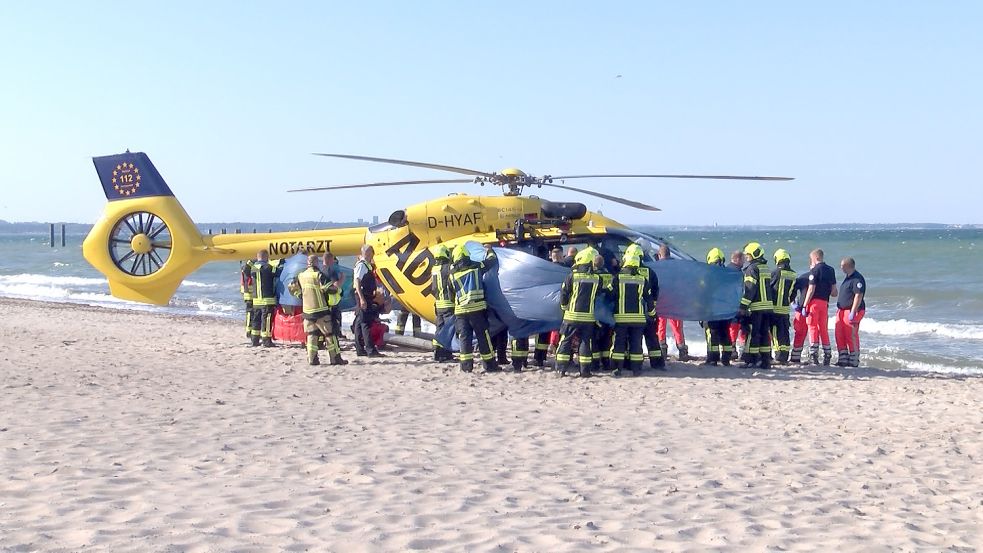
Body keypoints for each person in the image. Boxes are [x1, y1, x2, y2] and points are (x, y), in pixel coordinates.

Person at [555, 246, 608, 377]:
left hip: (571, 316)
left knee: (566, 341)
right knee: (586, 342)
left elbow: (564, 294)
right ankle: (585, 371)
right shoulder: (597, 278)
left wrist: (564, 307)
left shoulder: (572, 276)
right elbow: (599, 294)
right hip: (588, 318)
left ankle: (561, 370)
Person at [450, 243, 499, 373]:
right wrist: (489, 250)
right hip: (477, 310)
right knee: (483, 338)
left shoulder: (452, 273)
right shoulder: (476, 267)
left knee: (464, 339)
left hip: (460, 312)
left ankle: (466, 366)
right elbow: (492, 261)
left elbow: (451, 293)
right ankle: (489, 365)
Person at [292, 255, 347, 366]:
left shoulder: (300, 275)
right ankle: (335, 358)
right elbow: (329, 289)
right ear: (317, 263)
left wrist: (301, 296)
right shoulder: (319, 275)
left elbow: (292, 287)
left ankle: (312, 359)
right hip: (321, 310)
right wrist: (339, 290)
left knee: (312, 335)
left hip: (307, 311)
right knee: (330, 335)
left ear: (308, 263)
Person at [610, 247, 656, 376]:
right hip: (638, 319)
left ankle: (617, 369)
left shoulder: (617, 278)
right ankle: (636, 369)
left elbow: (610, 295)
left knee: (619, 344)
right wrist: (652, 314)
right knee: (636, 345)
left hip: (621, 319)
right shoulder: (643, 280)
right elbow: (649, 300)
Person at [625, 243, 664, 370]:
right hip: (648, 311)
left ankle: (632, 364)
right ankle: (657, 363)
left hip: (630, 312)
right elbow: (655, 291)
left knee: (633, 340)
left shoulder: (623, 272)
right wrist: (652, 308)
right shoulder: (650, 272)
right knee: (652, 338)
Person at [738, 242, 775, 369]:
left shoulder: (751, 269)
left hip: (757, 307)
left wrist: (743, 306)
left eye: (748, 255)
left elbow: (750, 289)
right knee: (765, 333)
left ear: (754, 254)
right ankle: (765, 361)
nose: (747, 257)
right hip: (768, 307)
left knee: (754, 334)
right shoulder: (765, 267)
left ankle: (752, 360)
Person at [801, 248, 838, 365]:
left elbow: (811, 289)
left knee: (812, 327)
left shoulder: (814, 271)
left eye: (811, 259)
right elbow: (834, 292)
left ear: (816, 258)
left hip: (814, 303)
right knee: (823, 329)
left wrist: (804, 305)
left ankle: (813, 355)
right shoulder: (831, 270)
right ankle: (827, 355)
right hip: (825, 303)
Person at [656, 245, 690, 361]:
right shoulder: (676, 266)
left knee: (661, 326)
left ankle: (662, 352)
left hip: (662, 299)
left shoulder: (658, 267)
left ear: (659, 255)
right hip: (675, 299)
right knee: (677, 327)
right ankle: (682, 351)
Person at [702, 248, 734, 366]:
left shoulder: (708, 275)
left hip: (712, 310)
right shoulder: (729, 274)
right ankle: (726, 358)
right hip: (726, 310)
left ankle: (712, 359)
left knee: (712, 334)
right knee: (725, 333)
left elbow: (704, 293)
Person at [247, 249, 282, 347]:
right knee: (266, 321)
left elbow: (245, 269)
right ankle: (266, 341)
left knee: (256, 320)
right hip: (267, 300)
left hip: (256, 300)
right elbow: (278, 272)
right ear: (266, 257)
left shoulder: (253, 268)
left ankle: (254, 340)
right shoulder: (268, 267)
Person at [353, 245, 383, 357]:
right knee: (366, 322)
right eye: (371, 252)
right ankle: (370, 350)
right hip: (363, 295)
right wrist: (362, 299)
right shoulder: (362, 265)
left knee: (360, 323)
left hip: (366, 295)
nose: (372, 255)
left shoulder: (367, 265)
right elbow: (357, 281)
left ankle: (360, 349)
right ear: (367, 253)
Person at [835, 257, 866, 367]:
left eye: (842, 265)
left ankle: (854, 360)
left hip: (852, 310)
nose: (841, 267)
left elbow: (858, 295)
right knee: (839, 334)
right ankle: (843, 359)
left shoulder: (857, 279)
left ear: (848, 266)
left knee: (851, 335)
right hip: (842, 311)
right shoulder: (847, 278)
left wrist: (853, 311)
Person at [769, 249, 797, 365]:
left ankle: (779, 356)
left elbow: (769, 288)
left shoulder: (775, 273)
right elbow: (793, 293)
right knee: (784, 332)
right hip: (785, 309)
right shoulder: (793, 274)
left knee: (775, 333)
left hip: (774, 308)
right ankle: (784, 356)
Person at [430, 244, 455, 362]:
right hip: (448, 304)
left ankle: (437, 350)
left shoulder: (434, 270)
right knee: (448, 329)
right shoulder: (448, 268)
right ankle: (445, 353)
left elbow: (433, 288)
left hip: (438, 304)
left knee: (439, 328)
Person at [592, 253, 615, 371]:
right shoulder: (609, 276)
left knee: (595, 338)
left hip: (595, 311)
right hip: (607, 311)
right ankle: (606, 363)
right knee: (606, 338)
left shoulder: (593, 276)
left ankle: (595, 363)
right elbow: (612, 292)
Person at [319, 252, 345, 345]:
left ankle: (321, 342)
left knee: (322, 323)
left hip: (320, 301)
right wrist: (342, 278)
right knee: (334, 323)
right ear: (330, 259)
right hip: (331, 301)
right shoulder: (331, 270)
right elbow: (336, 285)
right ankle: (334, 343)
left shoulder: (318, 270)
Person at [788, 265, 812, 364]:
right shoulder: (822, 278)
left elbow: (791, 291)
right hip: (807, 309)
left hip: (802, 308)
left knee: (801, 332)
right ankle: (798, 356)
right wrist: (793, 303)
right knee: (812, 333)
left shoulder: (803, 277)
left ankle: (795, 357)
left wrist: (793, 303)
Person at [727, 250, 746, 351]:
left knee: (732, 327)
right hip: (736, 303)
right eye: (743, 260)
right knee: (737, 326)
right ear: (738, 259)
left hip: (728, 303)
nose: (744, 262)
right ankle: (737, 349)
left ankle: (732, 349)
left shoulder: (726, 269)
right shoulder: (738, 272)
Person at [239, 261, 253, 340]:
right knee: (250, 312)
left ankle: (249, 330)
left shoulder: (246, 262)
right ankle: (249, 330)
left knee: (250, 312)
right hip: (249, 291)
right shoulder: (248, 263)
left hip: (248, 290)